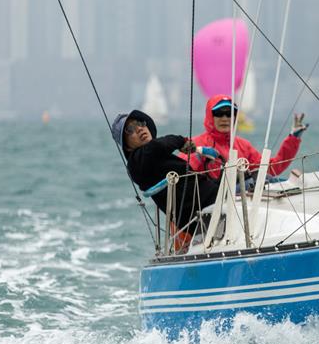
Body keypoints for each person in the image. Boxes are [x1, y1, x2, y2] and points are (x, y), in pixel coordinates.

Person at [111, 109, 219, 237]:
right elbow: (158, 146)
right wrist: (182, 141)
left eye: (140, 123)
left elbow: (158, 147)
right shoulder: (137, 161)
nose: (139, 129)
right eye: (130, 129)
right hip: (204, 211)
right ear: (127, 146)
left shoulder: (154, 156)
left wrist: (198, 150)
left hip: (211, 201)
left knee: (244, 179)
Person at [192, 94, 306, 180]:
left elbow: (271, 169)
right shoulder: (197, 144)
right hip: (212, 203)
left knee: (273, 180)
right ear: (210, 116)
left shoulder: (243, 146)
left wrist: (293, 138)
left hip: (241, 202)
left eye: (230, 113)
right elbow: (182, 174)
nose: (225, 118)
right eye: (219, 113)